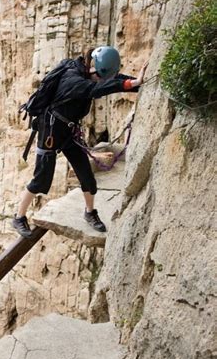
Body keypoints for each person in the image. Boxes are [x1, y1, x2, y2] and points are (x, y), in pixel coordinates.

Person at [12, 46, 148, 238]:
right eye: (102, 77)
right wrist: (131, 84)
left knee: (87, 177)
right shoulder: (74, 81)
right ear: (94, 70)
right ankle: (19, 217)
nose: (103, 80)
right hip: (50, 131)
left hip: (68, 132)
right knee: (41, 179)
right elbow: (98, 88)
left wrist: (137, 83)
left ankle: (90, 212)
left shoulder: (88, 71)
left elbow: (110, 80)